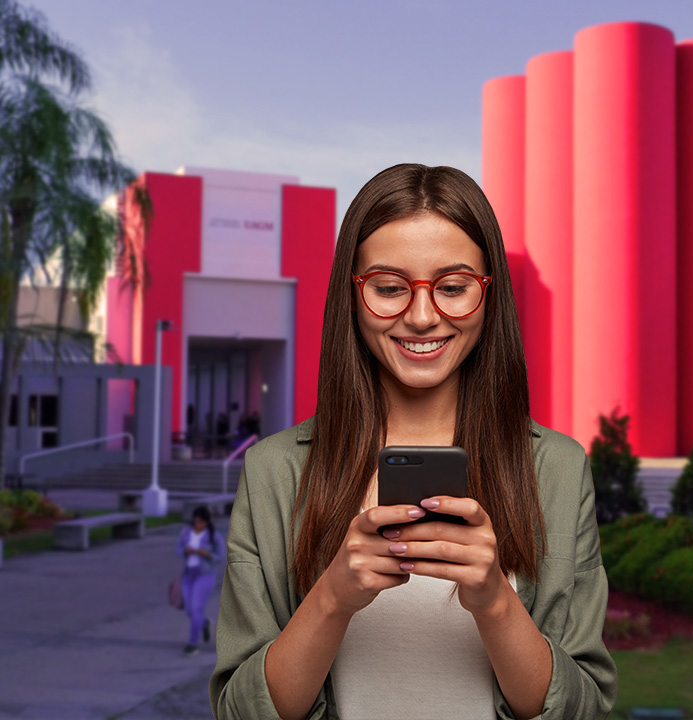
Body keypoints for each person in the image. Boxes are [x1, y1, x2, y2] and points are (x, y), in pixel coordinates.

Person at [211, 164, 617, 720]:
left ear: (489, 293)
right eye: (388, 288)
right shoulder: (273, 471)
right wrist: (331, 598)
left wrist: (495, 601)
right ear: (352, 297)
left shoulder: (557, 469)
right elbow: (237, 712)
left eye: (453, 288)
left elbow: (587, 708)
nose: (422, 317)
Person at [176, 505, 224, 656]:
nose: (199, 526)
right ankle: (204, 623)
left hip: (205, 575)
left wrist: (207, 555)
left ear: (207, 522)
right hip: (188, 575)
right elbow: (178, 549)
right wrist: (185, 550)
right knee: (190, 610)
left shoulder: (213, 535)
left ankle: (193, 643)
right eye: (196, 522)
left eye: (202, 523)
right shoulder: (186, 533)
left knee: (196, 608)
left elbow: (220, 555)